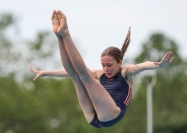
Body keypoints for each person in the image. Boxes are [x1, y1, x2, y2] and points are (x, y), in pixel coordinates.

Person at [30, 10, 174, 128]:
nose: (106, 69)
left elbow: (142, 66)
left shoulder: (126, 72)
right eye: (103, 65)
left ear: (119, 62)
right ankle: (59, 36)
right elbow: (69, 72)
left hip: (112, 114)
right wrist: (45, 73)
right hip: (94, 119)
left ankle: (66, 33)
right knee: (75, 76)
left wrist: (159, 65)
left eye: (109, 65)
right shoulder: (101, 74)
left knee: (85, 75)